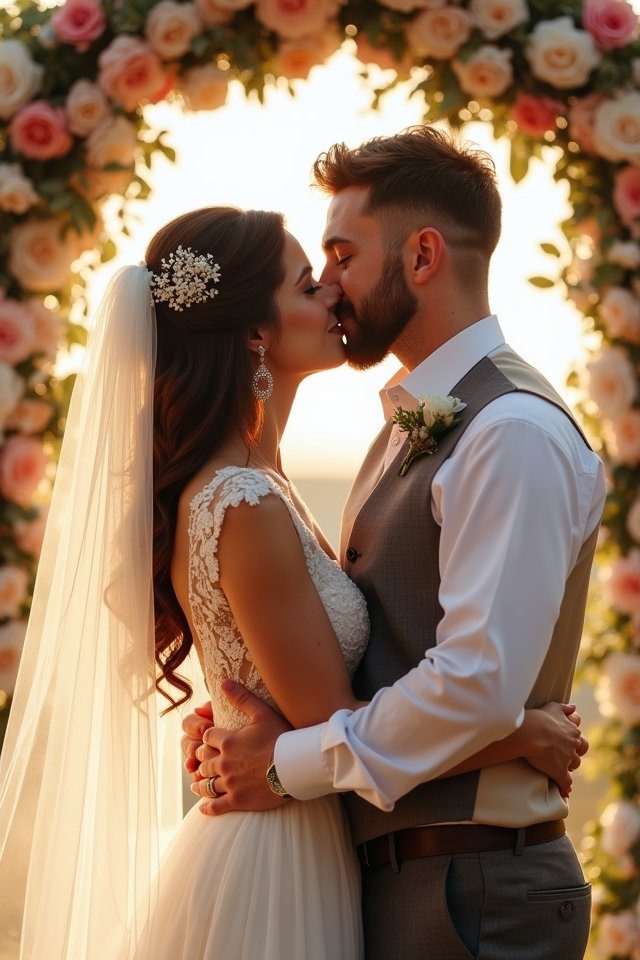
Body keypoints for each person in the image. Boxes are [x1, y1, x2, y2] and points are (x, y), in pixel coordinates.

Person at [0, 203, 585, 960]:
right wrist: (519, 735)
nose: (335, 296)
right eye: (310, 284)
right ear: (254, 333)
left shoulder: (259, 485)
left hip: (304, 837)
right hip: (273, 864)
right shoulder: (243, 503)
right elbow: (327, 720)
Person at [184, 125, 606, 960]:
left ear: (422, 257)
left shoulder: (509, 431)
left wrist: (282, 762)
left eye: (342, 254)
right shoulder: (403, 430)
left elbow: (477, 680)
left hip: (475, 887)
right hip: (399, 879)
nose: (330, 284)